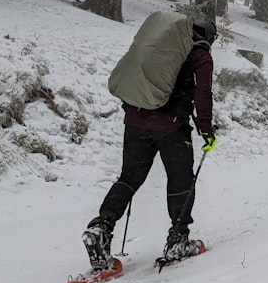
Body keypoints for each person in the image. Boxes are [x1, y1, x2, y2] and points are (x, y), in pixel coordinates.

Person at [82, 19, 218, 270]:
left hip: (135, 121)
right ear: (209, 37)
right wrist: (206, 129)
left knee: (129, 177)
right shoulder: (200, 55)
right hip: (172, 127)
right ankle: (178, 239)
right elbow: (203, 94)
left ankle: (101, 227)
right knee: (181, 180)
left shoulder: (160, 44)